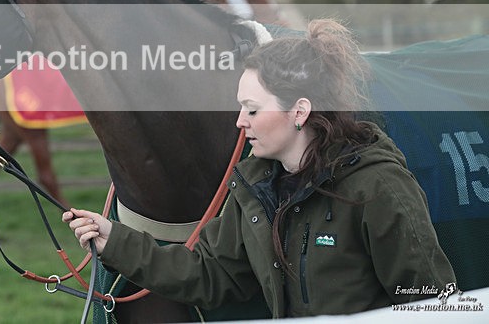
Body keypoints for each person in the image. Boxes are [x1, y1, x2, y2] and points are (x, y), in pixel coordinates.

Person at [64, 19, 456, 318]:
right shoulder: (255, 185)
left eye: (252, 109)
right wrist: (113, 239)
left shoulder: (377, 187)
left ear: (299, 111)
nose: (239, 121)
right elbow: (210, 273)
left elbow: (432, 306)